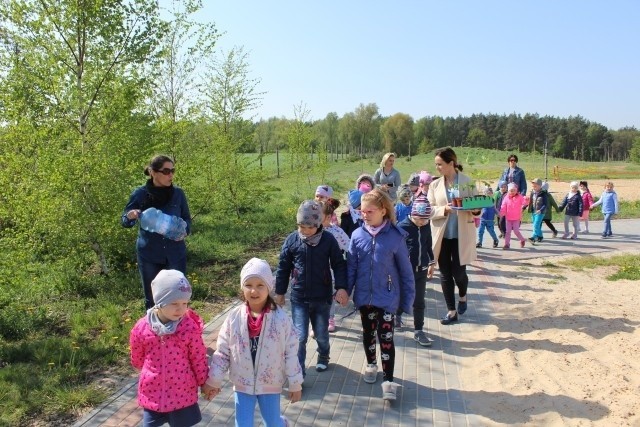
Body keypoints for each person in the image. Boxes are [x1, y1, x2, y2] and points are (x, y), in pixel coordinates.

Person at [335, 189, 415, 401]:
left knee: (386, 337)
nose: (365, 214)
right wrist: (346, 291)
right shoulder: (357, 235)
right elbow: (351, 267)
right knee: (368, 333)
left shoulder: (395, 237)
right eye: (362, 211)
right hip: (364, 298)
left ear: (383, 210)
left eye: (370, 211)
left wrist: (407, 302)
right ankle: (371, 364)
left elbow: (406, 273)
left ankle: (388, 380)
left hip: (388, 298)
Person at [203, 258, 302, 427]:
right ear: (242, 287)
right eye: (248, 285)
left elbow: (291, 352)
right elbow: (223, 351)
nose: (254, 290)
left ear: (269, 287)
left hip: (270, 382)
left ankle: (282, 423)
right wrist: (213, 380)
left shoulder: (281, 319)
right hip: (242, 382)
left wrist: (295, 383)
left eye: (260, 285)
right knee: (243, 424)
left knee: (272, 423)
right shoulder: (234, 318)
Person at [275, 200, 347, 377]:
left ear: (318, 224)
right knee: (299, 336)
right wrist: (280, 292)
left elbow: (339, 264)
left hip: (322, 297)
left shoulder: (328, 240)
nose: (305, 231)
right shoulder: (292, 240)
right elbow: (283, 267)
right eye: (301, 226)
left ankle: (323, 355)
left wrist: (342, 288)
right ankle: (299, 371)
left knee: (321, 333)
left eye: (309, 227)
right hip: (299, 297)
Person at [129, 270, 208, 427]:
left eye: (185, 303)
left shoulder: (189, 328)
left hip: (182, 394)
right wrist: (146, 373)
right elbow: (137, 356)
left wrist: (204, 382)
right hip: (153, 394)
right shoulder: (142, 327)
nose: (181, 309)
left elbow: (198, 357)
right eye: (174, 303)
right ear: (160, 301)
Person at [122, 155, 191, 309]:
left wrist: (183, 229)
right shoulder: (140, 194)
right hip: (149, 255)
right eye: (166, 171)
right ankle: (153, 332)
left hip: (175, 254)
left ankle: (178, 332)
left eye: (172, 170)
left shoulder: (178, 194)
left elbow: (187, 219)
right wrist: (130, 216)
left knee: (178, 296)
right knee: (153, 299)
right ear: (153, 172)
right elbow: (125, 221)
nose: (171, 175)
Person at [427, 147, 480, 325]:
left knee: (459, 273)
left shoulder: (467, 182)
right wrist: (445, 209)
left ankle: (463, 296)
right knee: (444, 274)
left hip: (461, 235)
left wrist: (475, 209)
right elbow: (429, 210)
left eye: (440, 164)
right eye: (436, 164)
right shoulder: (434, 185)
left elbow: (477, 205)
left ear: (451, 163)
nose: (437, 168)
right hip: (442, 236)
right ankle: (451, 311)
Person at [397, 193, 436, 347]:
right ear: (412, 214)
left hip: (422, 270)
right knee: (404, 296)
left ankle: (419, 330)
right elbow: (396, 249)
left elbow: (428, 244)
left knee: (419, 301)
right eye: (419, 219)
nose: (422, 222)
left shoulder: (426, 225)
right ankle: (397, 315)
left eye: (425, 219)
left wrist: (432, 262)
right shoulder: (402, 227)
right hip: (406, 271)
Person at [320, 199, 350, 333]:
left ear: (327, 217)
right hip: (315, 271)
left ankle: (330, 318)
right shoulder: (311, 231)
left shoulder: (336, 231)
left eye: (318, 216)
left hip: (331, 272)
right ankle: (317, 323)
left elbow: (349, 246)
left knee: (329, 297)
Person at [499, 183, 528, 250]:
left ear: (516, 190)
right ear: (508, 191)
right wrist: (502, 212)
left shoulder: (519, 197)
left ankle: (522, 239)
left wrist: (526, 200)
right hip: (508, 218)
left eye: (514, 190)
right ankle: (507, 244)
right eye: (511, 190)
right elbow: (503, 206)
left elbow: (524, 203)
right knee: (508, 232)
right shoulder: (506, 197)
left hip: (516, 218)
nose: (512, 192)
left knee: (516, 231)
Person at [527, 178, 548, 243]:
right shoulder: (532, 192)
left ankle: (534, 237)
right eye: (533, 186)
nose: (534, 187)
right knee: (535, 225)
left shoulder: (543, 194)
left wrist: (540, 210)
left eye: (535, 186)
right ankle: (540, 236)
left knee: (536, 225)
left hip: (540, 212)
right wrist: (526, 207)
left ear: (540, 186)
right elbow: (530, 201)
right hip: (533, 211)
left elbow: (545, 204)